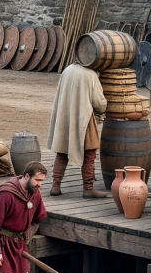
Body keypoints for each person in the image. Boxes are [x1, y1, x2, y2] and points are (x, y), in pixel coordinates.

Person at [46, 62, 108, 199]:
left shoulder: (67, 69)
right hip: (83, 119)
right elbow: (99, 103)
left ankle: (55, 186)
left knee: (61, 153)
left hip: (65, 117)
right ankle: (88, 189)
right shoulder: (90, 74)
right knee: (89, 154)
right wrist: (105, 105)